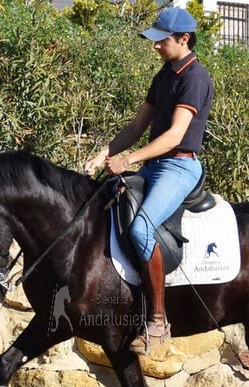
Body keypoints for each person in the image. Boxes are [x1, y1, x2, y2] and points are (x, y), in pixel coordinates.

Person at [84, 7, 214, 355]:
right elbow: (136, 127)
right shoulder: (165, 74)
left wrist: (129, 160)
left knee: (142, 229)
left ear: (183, 39)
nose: (156, 47)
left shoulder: (195, 78)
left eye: (162, 41)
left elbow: (174, 136)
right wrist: (104, 154)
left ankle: (158, 319)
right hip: (154, 164)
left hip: (178, 168)